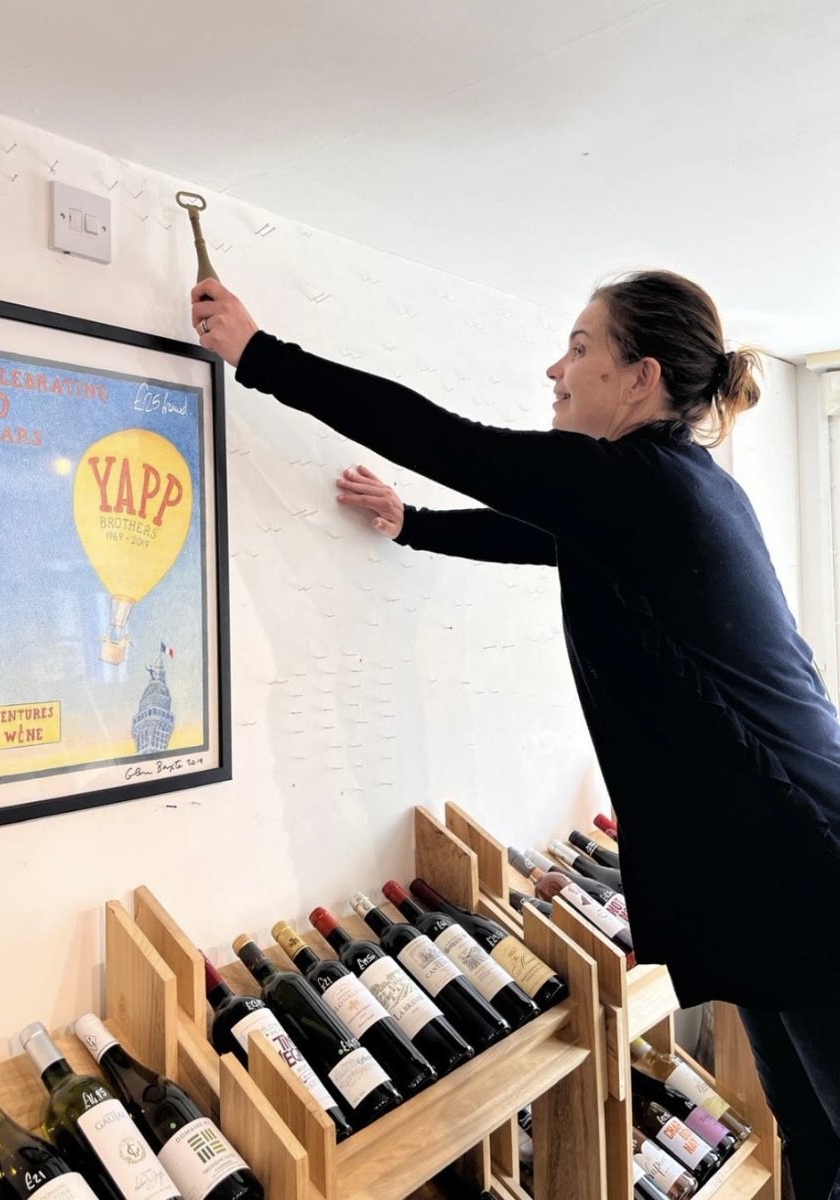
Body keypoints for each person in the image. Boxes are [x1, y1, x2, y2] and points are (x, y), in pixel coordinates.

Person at [192, 270, 840, 1198]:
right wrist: (413, 525)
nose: (555, 368)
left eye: (579, 348)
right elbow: (542, 534)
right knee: (814, 1147)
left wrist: (258, 355)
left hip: (804, 860)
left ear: (639, 377)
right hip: (767, 862)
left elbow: (444, 441)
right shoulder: (673, 488)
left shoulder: (640, 485)